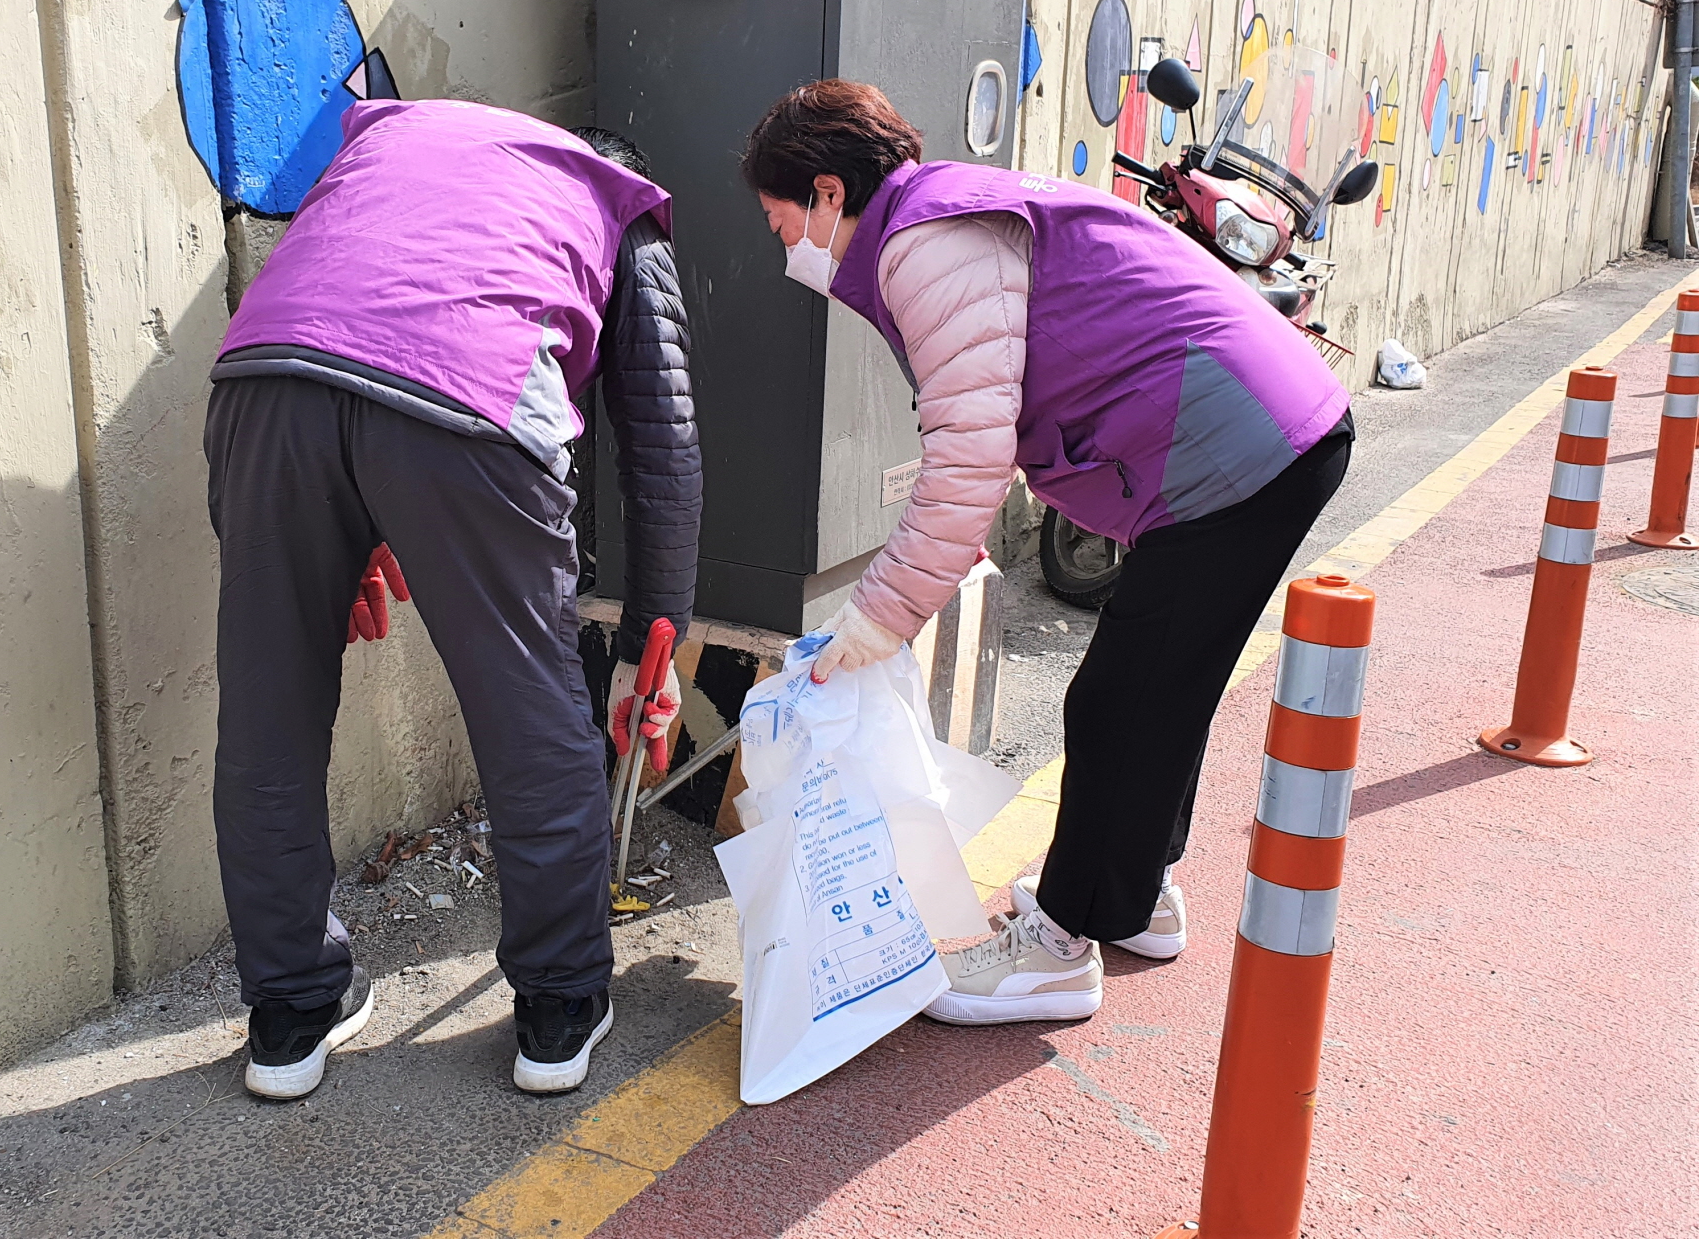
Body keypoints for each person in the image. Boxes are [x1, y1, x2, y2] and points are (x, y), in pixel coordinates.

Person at [741, 80, 1351, 1025]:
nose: (788, 249)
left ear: (827, 194)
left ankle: (1063, 944)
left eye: (783, 223)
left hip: (1238, 446)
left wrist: (876, 620)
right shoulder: (941, 210)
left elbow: (967, 460)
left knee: (1120, 697)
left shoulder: (921, 242)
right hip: (1260, 431)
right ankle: (1135, 893)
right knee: (1161, 681)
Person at [205, 100, 700, 1097]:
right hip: (465, 401)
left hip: (261, 388)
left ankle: (288, 1016)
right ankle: (558, 1008)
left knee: (269, 714)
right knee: (533, 716)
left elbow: (357, 319)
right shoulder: (618, 205)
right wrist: (657, 648)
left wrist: (351, 529)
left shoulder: (403, 142)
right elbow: (662, 447)